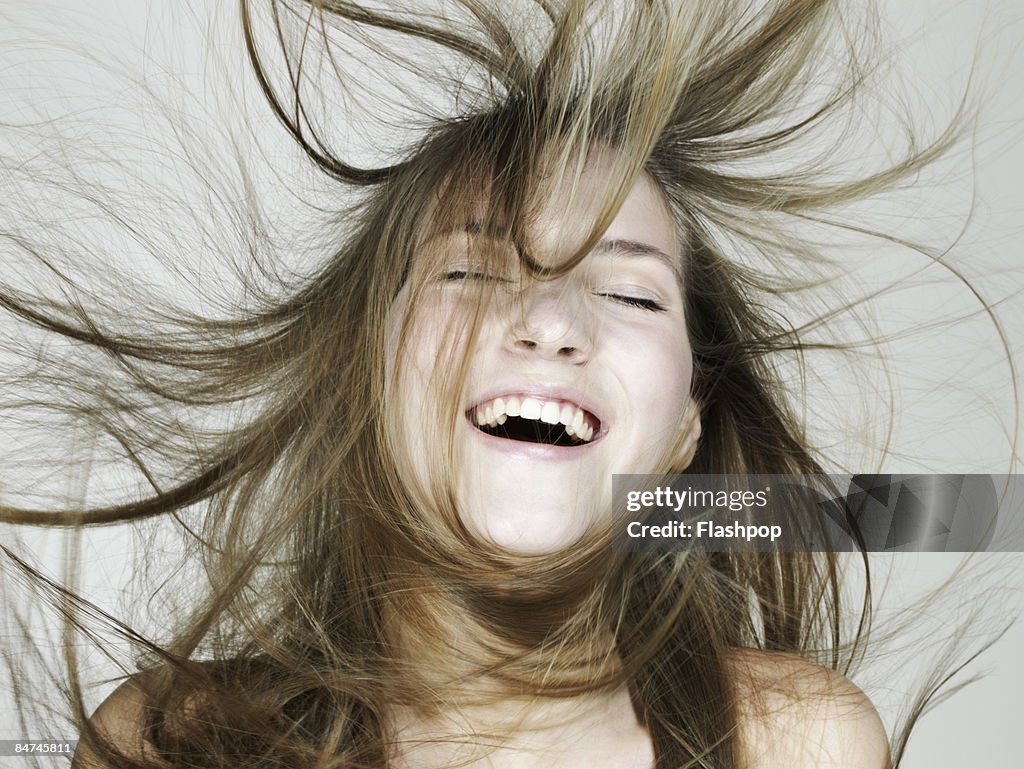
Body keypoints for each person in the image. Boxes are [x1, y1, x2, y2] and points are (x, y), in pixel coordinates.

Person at [0, 1, 1014, 768]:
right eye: (474, 270)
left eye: (632, 293)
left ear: (682, 434)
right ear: (369, 368)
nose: (549, 322)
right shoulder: (165, 741)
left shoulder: (794, 741)